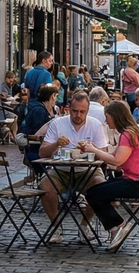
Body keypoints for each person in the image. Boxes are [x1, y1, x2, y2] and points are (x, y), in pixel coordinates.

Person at [80, 100, 139, 251]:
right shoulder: (128, 133)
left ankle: (120, 225)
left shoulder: (128, 134)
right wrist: (92, 148)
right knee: (93, 192)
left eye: (107, 116)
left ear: (116, 117)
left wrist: (94, 151)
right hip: (137, 181)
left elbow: (117, 161)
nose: (105, 120)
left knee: (94, 194)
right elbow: (113, 158)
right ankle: (116, 228)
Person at [37, 91, 109, 244]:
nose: (78, 115)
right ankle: (56, 226)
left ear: (87, 111)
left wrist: (91, 148)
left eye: (82, 112)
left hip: (87, 171)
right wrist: (56, 144)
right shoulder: (58, 123)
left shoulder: (95, 125)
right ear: (69, 108)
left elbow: (104, 155)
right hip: (60, 170)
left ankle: (84, 225)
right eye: (75, 111)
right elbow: (42, 152)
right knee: (45, 186)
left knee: (100, 187)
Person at [19, 83, 59, 164]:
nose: (57, 99)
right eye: (56, 96)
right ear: (53, 96)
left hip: (42, 146)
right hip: (34, 149)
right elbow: (37, 133)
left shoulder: (50, 109)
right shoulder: (39, 111)